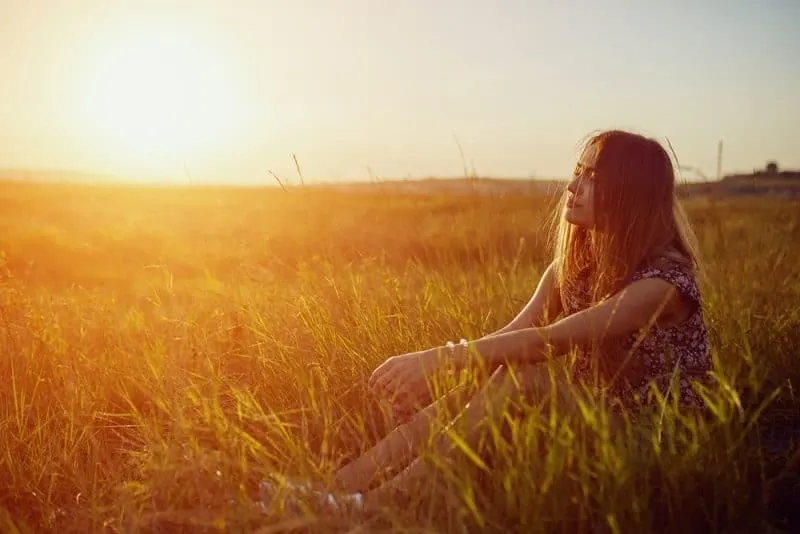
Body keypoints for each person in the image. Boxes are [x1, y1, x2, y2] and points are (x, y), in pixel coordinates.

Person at [263, 129, 713, 516]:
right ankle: (332, 491)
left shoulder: (664, 283)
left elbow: (545, 342)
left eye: (593, 177)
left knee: (525, 379)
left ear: (629, 192)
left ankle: (382, 507)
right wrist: (445, 378)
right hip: (598, 423)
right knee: (491, 379)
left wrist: (439, 358)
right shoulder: (571, 269)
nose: (574, 185)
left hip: (657, 444)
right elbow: (512, 338)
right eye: (578, 170)